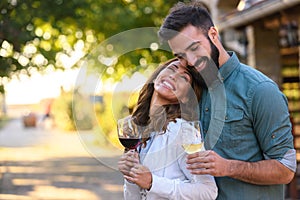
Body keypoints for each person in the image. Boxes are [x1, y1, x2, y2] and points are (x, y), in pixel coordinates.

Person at [158, 2, 296, 200]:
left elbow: (286, 169)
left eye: (195, 48)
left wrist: (228, 167)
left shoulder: (260, 91)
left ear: (213, 35)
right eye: (180, 55)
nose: (190, 61)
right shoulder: (190, 89)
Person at [118, 58, 218, 199]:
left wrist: (153, 182)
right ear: (157, 76)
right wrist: (131, 177)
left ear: (186, 97)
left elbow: (208, 192)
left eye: (183, 78)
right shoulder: (140, 132)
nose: (173, 76)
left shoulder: (183, 132)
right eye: (172, 68)